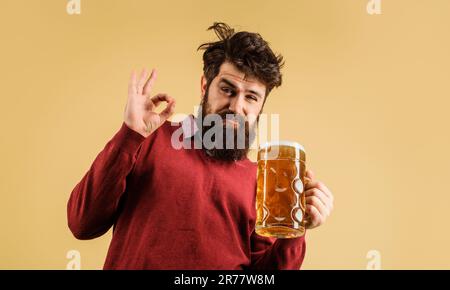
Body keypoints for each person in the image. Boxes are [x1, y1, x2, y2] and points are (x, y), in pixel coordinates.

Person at [67, 22, 334, 270]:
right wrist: (129, 135)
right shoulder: (149, 141)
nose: (236, 107)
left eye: (251, 97)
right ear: (205, 85)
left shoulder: (263, 182)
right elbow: (82, 223)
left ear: (260, 107)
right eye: (227, 90)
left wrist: (296, 231)